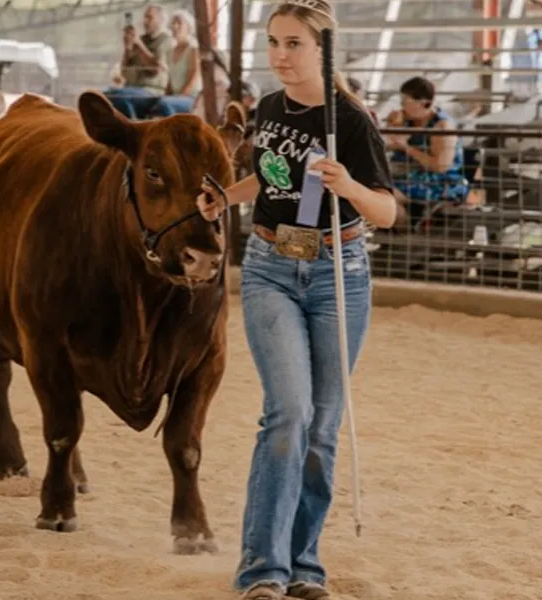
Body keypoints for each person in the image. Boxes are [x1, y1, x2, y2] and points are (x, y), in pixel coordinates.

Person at [195, 1, 396, 598]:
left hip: (340, 274)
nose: (280, 56)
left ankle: (304, 563)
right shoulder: (269, 107)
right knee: (288, 412)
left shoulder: (352, 122)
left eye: (293, 45)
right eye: (273, 42)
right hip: (269, 267)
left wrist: (349, 185)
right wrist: (225, 197)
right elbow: (271, 173)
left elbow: (386, 210)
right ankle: (262, 569)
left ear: (322, 51)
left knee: (324, 425)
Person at [384, 76, 470, 230]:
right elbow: (390, 145)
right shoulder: (409, 120)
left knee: (380, 193)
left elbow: (440, 166)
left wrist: (406, 148)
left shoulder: (442, 126)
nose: (402, 106)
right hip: (407, 176)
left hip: (438, 183)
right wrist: (394, 126)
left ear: (423, 103)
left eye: (405, 101)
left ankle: (405, 228)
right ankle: (401, 226)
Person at [104, 4, 173, 119]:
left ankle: (132, 127)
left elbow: (155, 69)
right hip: (131, 88)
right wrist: (127, 48)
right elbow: (124, 72)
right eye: (144, 17)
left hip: (151, 91)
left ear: (161, 20)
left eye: (149, 17)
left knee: (119, 98)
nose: (145, 21)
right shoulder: (141, 39)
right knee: (103, 96)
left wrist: (138, 44)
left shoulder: (165, 40)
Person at [151, 9, 201, 116]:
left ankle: (174, 130)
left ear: (188, 27)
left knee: (165, 104)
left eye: (179, 23)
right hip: (175, 98)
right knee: (154, 103)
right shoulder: (171, 51)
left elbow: (192, 79)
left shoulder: (193, 49)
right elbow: (170, 81)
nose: (175, 26)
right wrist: (165, 96)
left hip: (192, 99)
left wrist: (178, 97)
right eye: (173, 23)